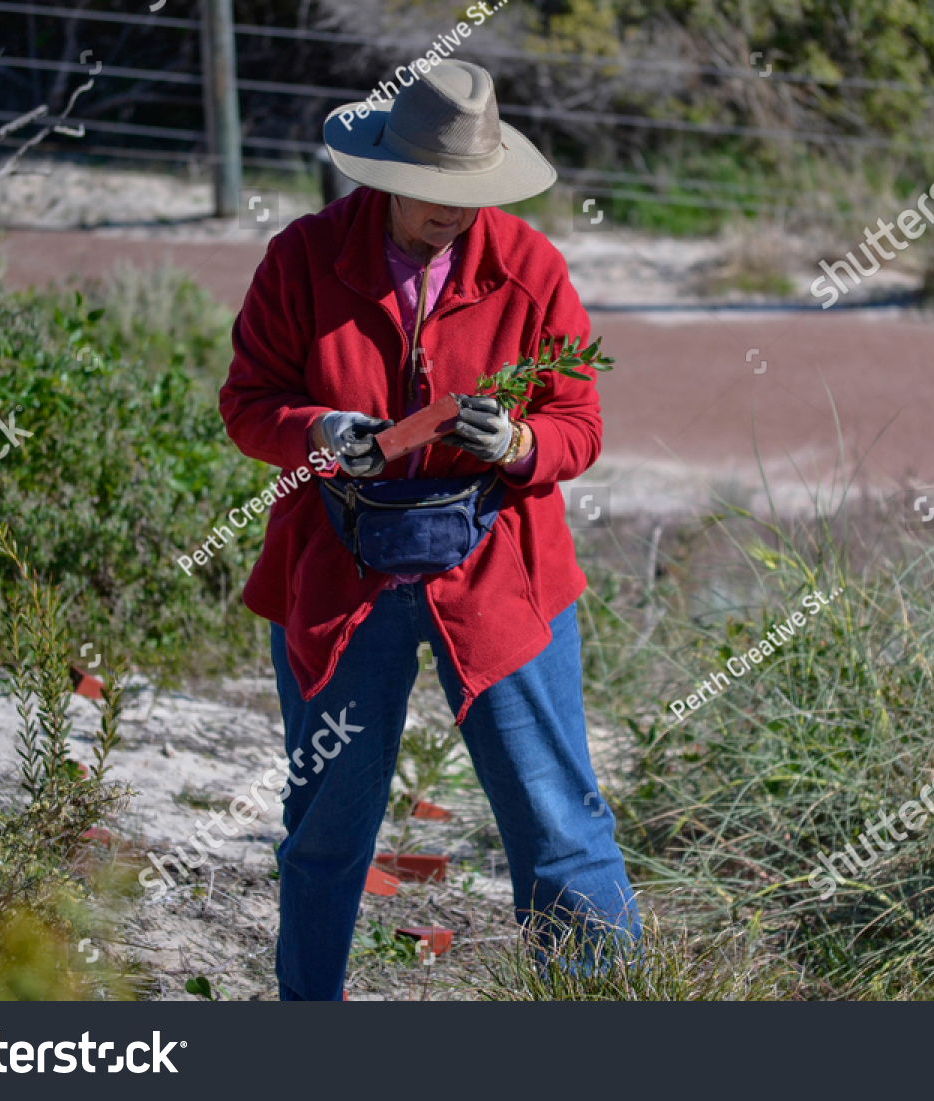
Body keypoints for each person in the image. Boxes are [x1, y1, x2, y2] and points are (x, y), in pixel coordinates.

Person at [219, 58, 639, 1001]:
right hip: (341, 570)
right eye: (430, 193)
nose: (451, 212)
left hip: (497, 571)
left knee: (556, 824)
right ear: (384, 175)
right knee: (327, 824)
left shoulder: (531, 268)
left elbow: (582, 427)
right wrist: (320, 432)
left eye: (468, 193)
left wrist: (522, 440)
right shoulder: (301, 257)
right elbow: (249, 403)